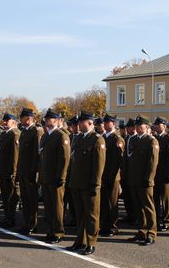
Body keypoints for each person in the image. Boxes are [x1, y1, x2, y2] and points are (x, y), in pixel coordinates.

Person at [67, 111, 105, 255]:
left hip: (89, 184)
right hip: (76, 183)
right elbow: (73, 162)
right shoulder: (77, 138)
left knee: (91, 215)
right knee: (80, 214)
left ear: (89, 123)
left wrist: (95, 184)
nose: (78, 125)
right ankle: (79, 241)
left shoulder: (97, 139)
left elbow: (99, 165)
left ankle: (91, 243)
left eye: (81, 122)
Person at [126, 115, 159, 246]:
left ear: (147, 127)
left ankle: (151, 233)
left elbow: (152, 162)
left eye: (141, 126)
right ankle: (141, 231)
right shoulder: (133, 140)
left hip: (145, 180)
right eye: (137, 126)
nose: (139, 128)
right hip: (134, 179)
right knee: (138, 207)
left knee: (148, 207)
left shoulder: (151, 141)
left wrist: (148, 179)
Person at [39, 109, 70, 244]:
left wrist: (61, 177)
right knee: (49, 206)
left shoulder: (61, 136)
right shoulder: (45, 136)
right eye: (46, 118)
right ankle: (51, 230)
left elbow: (64, 159)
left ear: (57, 121)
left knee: (57, 206)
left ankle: (58, 231)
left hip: (56, 177)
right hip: (46, 176)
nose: (47, 120)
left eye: (50, 118)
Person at [16, 108, 43, 235]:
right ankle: (26, 223)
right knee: (25, 198)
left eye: (22, 117)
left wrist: (34, 172)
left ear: (29, 118)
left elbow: (37, 154)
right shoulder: (24, 132)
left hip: (30, 172)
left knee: (32, 200)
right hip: (22, 170)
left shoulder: (36, 132)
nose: (20, 120)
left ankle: (33, 224)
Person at [99, 114, 124, 237]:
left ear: (113, 124)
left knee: (112, 203)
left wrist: (111, 176)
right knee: (104, 202)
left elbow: (117, 161)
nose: (105, 124)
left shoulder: (117, 139)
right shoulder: (103, 137)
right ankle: (104, 225)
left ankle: (112, 227)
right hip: (103, 175)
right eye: (104, 122)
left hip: (113, 177)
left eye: (108, 122)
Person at [0, 113, 20, 227]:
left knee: (11, 196)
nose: (5, 122)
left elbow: (15, 156)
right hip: (2, 170)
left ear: (14, 122)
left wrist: (13, 172)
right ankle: (7, 217)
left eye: (8, 120)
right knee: (5, 196)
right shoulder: (4, 134)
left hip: (9, 171)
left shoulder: (14, 134)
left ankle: (11, 218)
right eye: (4, 120)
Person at [152, 117, 169, 231]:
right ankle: (156, 220)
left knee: (165, 199)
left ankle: (167, 221)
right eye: (156, 125)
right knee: (155, 198)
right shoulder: (154, 138)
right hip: (154, 174)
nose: (157, 126)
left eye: (159, 124)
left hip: (164, 173)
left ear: (164, 126)